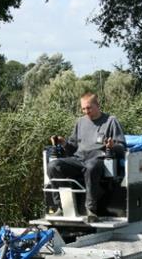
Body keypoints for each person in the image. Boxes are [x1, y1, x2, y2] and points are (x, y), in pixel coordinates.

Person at [47, 92, 126, 222]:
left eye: (89, 108)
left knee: (91, 167)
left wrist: (112, 146)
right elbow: (73, 148)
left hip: (99, 159)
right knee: (53, 166)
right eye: (83, 108)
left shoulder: (111, 121)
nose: (86, 111)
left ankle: (91, 210)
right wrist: (63, 142)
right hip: (79, 159)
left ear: (97, 105)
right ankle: (61, 207)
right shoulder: (80, 122)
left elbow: (122, 147)